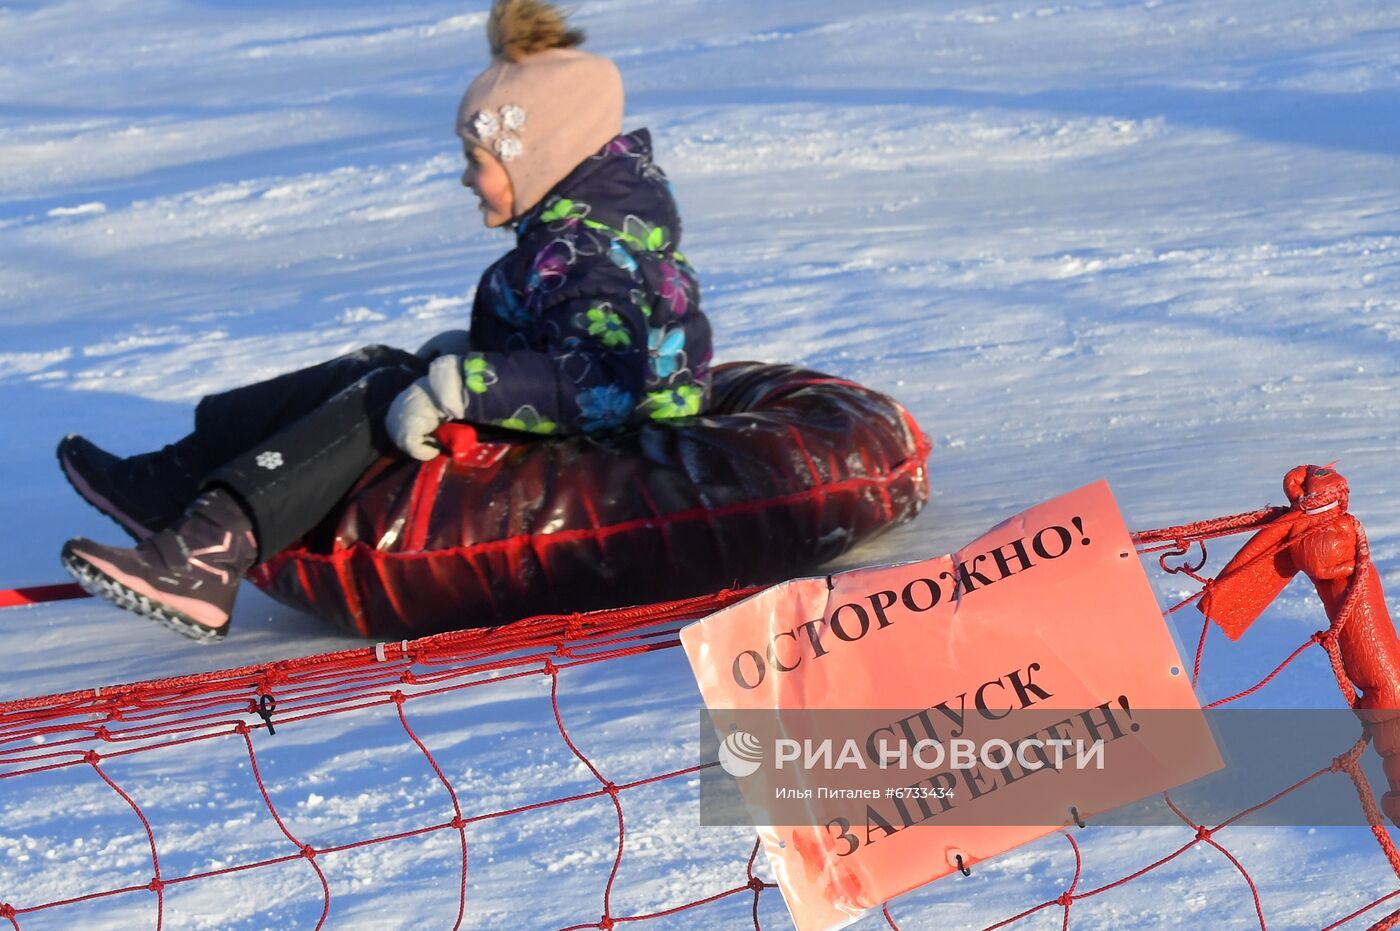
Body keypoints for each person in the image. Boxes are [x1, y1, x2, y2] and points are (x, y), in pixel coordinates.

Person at [58, 0, 712, 642]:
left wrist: (467, 385)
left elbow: (602, 380)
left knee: (384, 392)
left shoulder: (586, 252)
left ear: (535, 160)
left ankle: (209, 553)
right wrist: (473, 356)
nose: (465, 180)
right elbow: (565, 344)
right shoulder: (573, 240)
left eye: (478, 162)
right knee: (381, 366)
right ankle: (174, 482)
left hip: (615, 463)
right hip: (586, 427)